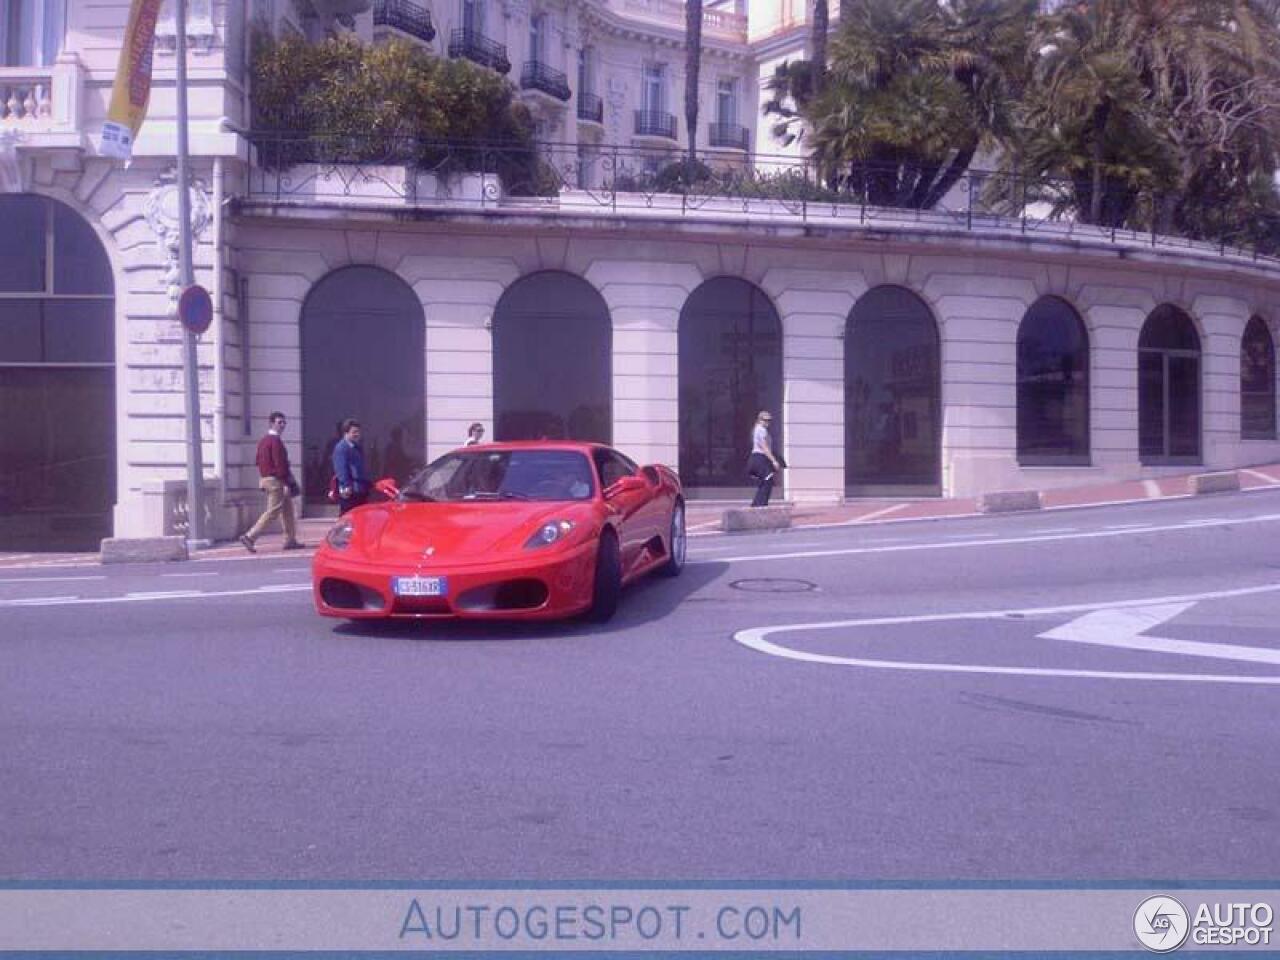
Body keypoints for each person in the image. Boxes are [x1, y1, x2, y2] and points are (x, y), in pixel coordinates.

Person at [240, 412, 304, 553]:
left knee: (288, 510)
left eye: (283, 422)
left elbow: (257, 461)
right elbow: (280, 463)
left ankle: (290, 539)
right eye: (279, 422)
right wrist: (286, 480)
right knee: (273, 511)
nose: (282, 425)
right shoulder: (275, 441)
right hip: (276, 480)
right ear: (272, 423)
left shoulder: (263, 441)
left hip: (266, 478)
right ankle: (250, 536)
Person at [332, 418, 371, 515]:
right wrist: (346, 485)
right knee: (348, 517)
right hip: (350, 491)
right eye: (354, 432)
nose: (357, 434)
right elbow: (341, 469)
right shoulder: (341, 448)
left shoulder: (357, 447)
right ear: (346, 433)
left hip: (360, 490)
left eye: (358, 432)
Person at [746, 410, 782, 508]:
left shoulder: (759, 430)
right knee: (768, 480)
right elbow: (764, 447)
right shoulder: (761, 430)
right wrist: (773, 460)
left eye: (769, 420)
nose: (767, 422)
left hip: (759, 458)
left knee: (765, 481)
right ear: (759, 420)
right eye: (764, 420)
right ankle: (760, 505)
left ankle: (757, 505)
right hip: (759, 457)